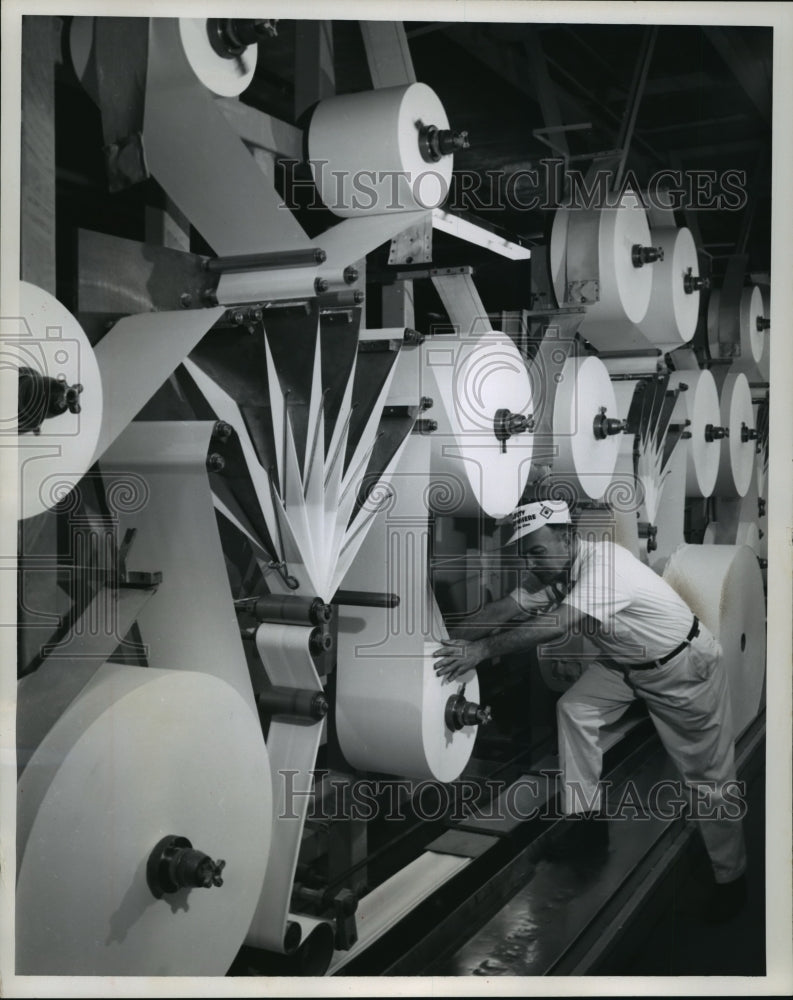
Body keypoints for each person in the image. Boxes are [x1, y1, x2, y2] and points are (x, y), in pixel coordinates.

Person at [433, 499, 747, 921]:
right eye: (524, 554)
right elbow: (500, 611)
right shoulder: (557, 569)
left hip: (681, 669)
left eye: (538, 551)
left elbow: (558, 623)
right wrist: (438, 645)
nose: (532, 563)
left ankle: (732, 880)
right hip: (628, 664)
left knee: (709, 779)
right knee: (575, 708)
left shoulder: (605, 567)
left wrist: (480, 650)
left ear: (567, 537)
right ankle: (587, 824)